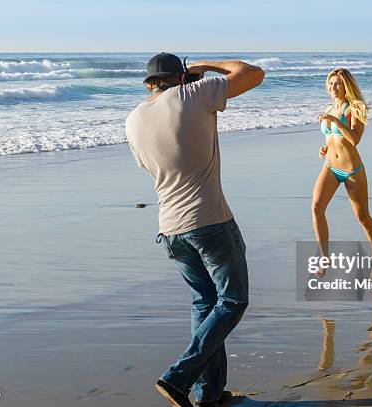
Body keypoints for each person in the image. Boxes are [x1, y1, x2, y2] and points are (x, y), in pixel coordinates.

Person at [125, 53, 264, 407]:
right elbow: (252, 74)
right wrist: (205, 66)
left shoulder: (134, 120)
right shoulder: (193, 94)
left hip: (170, 228)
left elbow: (150, 168)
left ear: (148, 84)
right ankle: (178, 377)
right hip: (210, 221)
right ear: (182, 77)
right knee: (233, 301)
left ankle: (210, 395)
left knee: (205, 304)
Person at [312, 68, 372, 277]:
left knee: (362, 217)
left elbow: (354, 139)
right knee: (316, 208)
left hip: (352, 171)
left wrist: (334, 121)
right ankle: (325, 257)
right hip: (330, 167)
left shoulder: (354, 108)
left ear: (347, 86)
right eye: (331, 83)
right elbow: (333, 138)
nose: (334, 88)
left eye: (339, 84)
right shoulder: (330, 108)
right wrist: (325, 149)